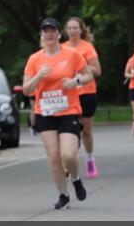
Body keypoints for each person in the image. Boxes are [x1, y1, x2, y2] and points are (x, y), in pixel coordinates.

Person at [22, 18, 93, 210]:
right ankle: (63, 195)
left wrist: (76, 80)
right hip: (45, 112)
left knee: (68, 155)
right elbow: (27, 89)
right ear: (42, 35)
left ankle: (76, 179)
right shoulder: (35, 59)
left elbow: (89, 75)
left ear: (59, 34)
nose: (49, 34)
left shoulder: (72, 54)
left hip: (68, 110)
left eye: (53, 30)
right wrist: (39, 76)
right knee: (54, 156)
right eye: (46, 31)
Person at [65, 16, 102, 178]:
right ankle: (69, 161)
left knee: (85, 130)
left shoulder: (87, 48)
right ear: (66, 31)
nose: (72, 30)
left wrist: (82, 66)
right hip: (69, 94)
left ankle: (90, 159)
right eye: (70, 28)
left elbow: (97, 70)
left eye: (75, 28)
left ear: (81, 30)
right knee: (71, 130)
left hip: (87, 92)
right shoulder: (62, 48)